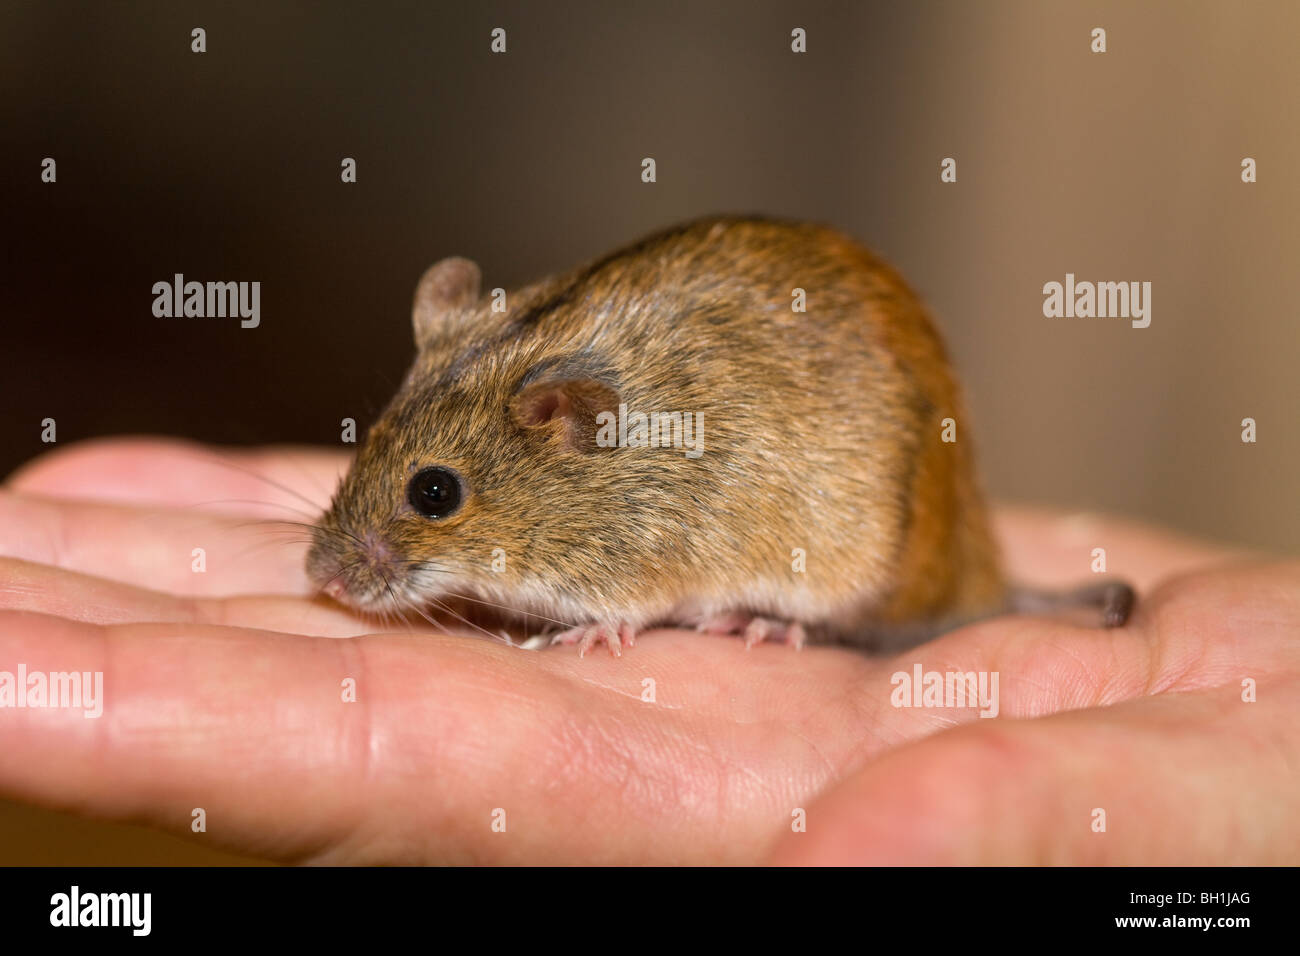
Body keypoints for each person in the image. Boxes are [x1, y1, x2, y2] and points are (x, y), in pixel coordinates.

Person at [0, 438, 1295, 865]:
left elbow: (665, 538)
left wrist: (628, 606)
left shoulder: (615, 500)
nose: (355, 562)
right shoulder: (561, 465)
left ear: (563, 436)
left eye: (432, 502)